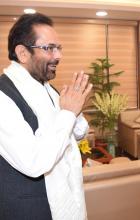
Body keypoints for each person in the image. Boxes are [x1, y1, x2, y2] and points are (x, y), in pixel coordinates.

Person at [0, 13, 92, 219]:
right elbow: (34, 161)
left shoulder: (48, 89)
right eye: (49, 48)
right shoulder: (3, 96)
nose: (58, 56)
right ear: (23, 53)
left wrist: (75, 111)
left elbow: (77, 134)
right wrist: (68, 113)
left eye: (59, 48)